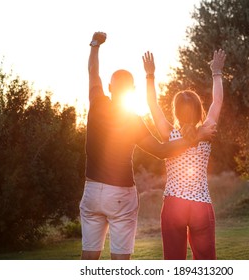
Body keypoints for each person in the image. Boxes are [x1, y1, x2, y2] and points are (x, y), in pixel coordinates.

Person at [80, 32, 216, 260]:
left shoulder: (97, 103)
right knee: (120, 260)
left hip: (92, 190)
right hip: (121, 193)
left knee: (89, 257)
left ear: (111, 88)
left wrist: (95, 45)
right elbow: (162, 150)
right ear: (132, 90)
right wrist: (197, 135)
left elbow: (93, 72)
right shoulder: (132, 120)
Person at [142, 49, 225, 259]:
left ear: (176, 112)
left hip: (174, 205)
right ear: (199, 111)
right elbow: (217, 102)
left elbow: (152, 104)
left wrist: (150, 74)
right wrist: (216, 71)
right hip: (201, 204)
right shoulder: (206, 132)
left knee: (174, 262)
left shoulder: (170, 134)